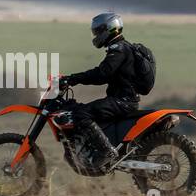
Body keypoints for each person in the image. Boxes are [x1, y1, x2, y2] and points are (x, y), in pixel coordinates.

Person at [59, 12, 142, 171]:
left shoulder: (119, 50)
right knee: (78, 108)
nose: (96, 35)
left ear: (109, 29)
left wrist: (72, 79)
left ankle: (106, 151)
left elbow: (102, 74)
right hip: (121, 99)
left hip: (122, 101)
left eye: (98, 31)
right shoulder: (119, 48)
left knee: (81, 114)